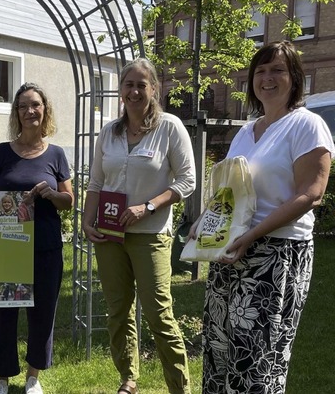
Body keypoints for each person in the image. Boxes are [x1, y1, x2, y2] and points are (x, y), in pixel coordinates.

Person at [188, 41, 334, 393]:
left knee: (258, 359)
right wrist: (204, 220)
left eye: (277, 70)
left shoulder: (307, 125)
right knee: (220, 351)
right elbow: (231, 190)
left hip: (277, 256)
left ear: (295, 78)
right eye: (261, 71)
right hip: (231, 252)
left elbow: (310, 193)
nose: (267, 78)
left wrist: (251, 237)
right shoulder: (245, 131)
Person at [81, 57, 195, 394]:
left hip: (151, 235)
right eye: (128, 84)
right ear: (121, 90)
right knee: (117, 311)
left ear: (154, 89)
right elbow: (96, 183)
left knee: (159, 314)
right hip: (110, 234)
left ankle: (179, 387)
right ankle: (128, 379)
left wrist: (149, 206)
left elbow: (187, 180)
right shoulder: (109, 132)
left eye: (141, 85)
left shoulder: (170, 127)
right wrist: (87, 220)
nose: (134, 91)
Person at [0, 82, 74, 394]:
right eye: (23, 106)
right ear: (16, 113)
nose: (30, 111)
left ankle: (33, 377)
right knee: (2, 315)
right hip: (5, 243)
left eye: (35, 105)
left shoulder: (57, 155)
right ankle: (2, 379)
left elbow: (70, 201)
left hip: (45, 247)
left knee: (42, 313)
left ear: (44, 110)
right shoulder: (1, 152)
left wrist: (51, 193)